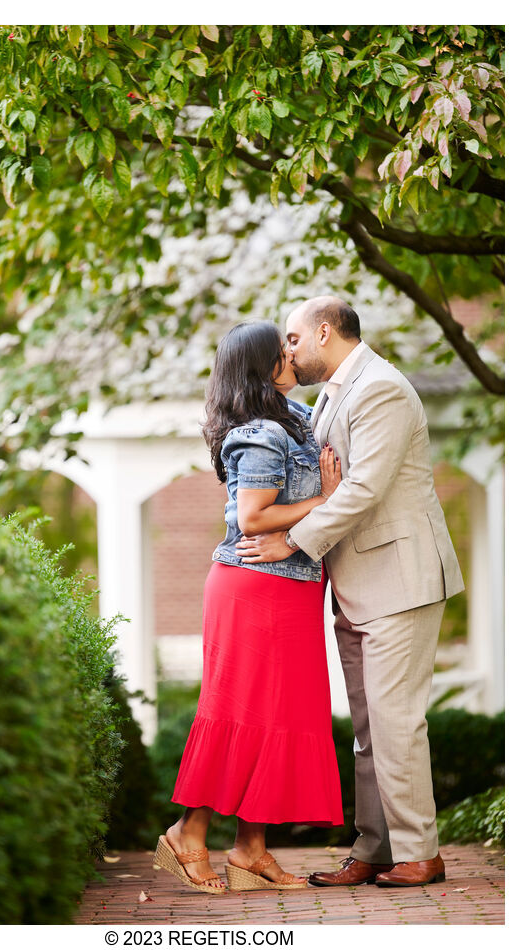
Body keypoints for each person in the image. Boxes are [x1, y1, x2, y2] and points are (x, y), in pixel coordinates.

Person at [236, 296, 465, 888]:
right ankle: (376, 848)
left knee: (396, 722)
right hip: (356, 584)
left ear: (324, 331)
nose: (285, 349)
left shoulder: (381, 389)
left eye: (291, 338)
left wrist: (292, 541)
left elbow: (362, 488)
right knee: (369, 728)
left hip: (400, 580)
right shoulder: (329, 396)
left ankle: (421, 852)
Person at [154, 322, 344, 895]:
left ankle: (251, 849)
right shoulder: (260, 431)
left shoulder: (294, 417)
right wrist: (326, 501)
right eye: (281, 347)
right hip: (254, 586)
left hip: (289, 586)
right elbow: (254, 517)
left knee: (278, 717)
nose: (293, 351)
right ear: (260, 365)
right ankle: (188, 833)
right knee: (239, 713)